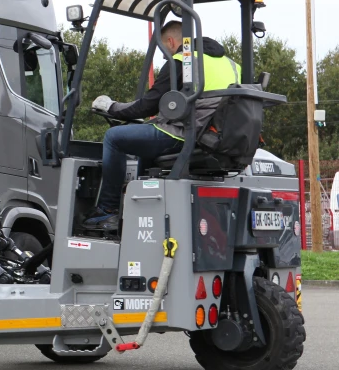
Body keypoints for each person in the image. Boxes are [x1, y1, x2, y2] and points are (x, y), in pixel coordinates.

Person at [83, 21, 241, 232]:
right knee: (146, 138)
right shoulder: (231, 64)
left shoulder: (183, 60)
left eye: (163, 49)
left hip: (187, 135)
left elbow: (147, 105)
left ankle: (108, 211)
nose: (165, 54)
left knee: (114, 137)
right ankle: (142, 204)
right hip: (216, 138)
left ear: (170, 41)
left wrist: (112, 107)